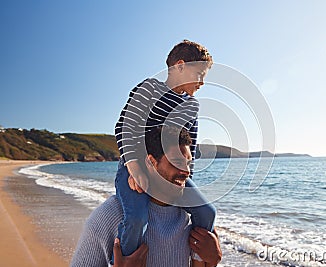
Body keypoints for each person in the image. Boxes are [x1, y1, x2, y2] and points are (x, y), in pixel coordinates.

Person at [113, 40, 216, 262]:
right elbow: (124, 127)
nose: (202, 82)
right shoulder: (150, 88)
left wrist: (184, 180)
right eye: (200, 74)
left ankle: (197, 260)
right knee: (137, 218)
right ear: (180, 66)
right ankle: (124, 261)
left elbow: (191, 146)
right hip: (135, 166)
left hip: (173, 171)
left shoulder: (192, 106)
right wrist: (134, 168)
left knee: (208, 212)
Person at [71, 126, 222, 267]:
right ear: (151, 162)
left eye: (188, 163)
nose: (186, 171)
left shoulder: (191, 219)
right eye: (176, 162)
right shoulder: (110, 215)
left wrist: (213, 261)